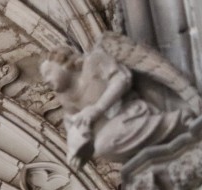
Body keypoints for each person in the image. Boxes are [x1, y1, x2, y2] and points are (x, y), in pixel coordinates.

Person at [40, 45, 191, 171]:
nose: (46, 81)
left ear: (61, 61)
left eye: (48, 73)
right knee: (105, 147)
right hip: (112, 128)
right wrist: (77, 151)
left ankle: (177, 121)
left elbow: (122, 79)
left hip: (129, 113)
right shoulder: (66, 99)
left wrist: (98, 109)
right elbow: (74, 127)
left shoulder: (93, 61)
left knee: (105, 145)